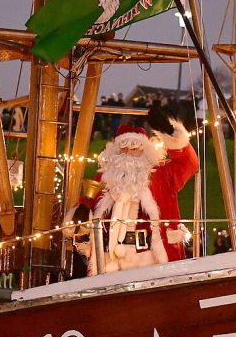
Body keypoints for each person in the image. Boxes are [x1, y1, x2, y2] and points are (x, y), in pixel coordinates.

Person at [70, 108, 199, 274]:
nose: (127, 154)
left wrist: (170, 133)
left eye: (134, 148)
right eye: (123, 148)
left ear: (144, 150)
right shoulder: (103, 179)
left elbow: (189, 163)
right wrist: (81, 213)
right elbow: (80, 223)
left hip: (153, 259)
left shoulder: (162, 174)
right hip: (111, 261)